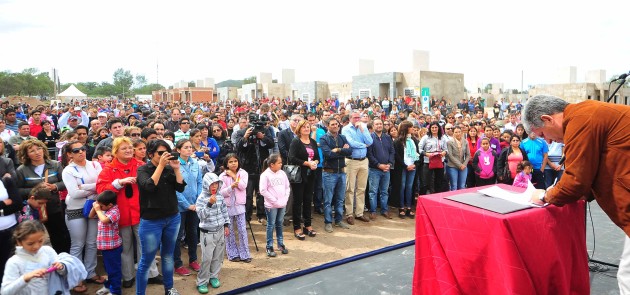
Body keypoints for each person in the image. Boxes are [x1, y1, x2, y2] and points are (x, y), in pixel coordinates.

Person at [521, 95, 630, 292]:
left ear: (547, 119)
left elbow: (576, 181)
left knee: (628, 276)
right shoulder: (586, 113)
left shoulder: (581, 119)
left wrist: (546, 195)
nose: (549, 140)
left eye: (543, 134)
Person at [96, 137, 161, 289]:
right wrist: (119, 182)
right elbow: (101, 190)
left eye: (130, 147)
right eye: (124, 148)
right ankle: (128, 276)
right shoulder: (108, 169)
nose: (129, 150)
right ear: (115, 151)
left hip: (141, 213)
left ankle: (151, 274)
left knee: (146, 245)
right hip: (120, 216)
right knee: (125, 248)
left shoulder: (141, 165)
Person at [136, 139, 186, 295]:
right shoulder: (143, 170)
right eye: (160, 153)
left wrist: (176, 169)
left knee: (168, 256)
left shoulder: (169, 168)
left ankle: (169, 289)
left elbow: (180, 187)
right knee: (147, 260)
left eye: (167, 152)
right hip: (151, 221)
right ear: (150, 154)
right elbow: (149, 186)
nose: (165, 156)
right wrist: (161, 166)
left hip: (172, 217)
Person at [61, 140, 105, 292]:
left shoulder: (95, 165)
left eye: (83, 149)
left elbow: (102, 184)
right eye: (76, 150)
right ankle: (76, 278)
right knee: (78, 244)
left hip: (94, 207)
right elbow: (74, 193)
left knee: (92, 242)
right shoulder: (68, 170)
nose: (81, 152)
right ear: (69, 154)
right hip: (75, 210)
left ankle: (90, 272)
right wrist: (95, 189)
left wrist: (85, 187)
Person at [16, 139, 69, 254]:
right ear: (26, 154)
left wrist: (55, 186)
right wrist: (36, 190)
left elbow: (66, 182)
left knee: (59, 237)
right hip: (33, 211)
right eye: (32, 151)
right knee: (34, 239)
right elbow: (18, 190)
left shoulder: (55, 164)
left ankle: (61, 262)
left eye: (39, 148)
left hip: (54, 208)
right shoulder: (22, 170)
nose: (37, 152)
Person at [1, 220, 72, 294]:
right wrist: (25, 278)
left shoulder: (48, 251)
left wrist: (61, 267)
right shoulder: (14, 262)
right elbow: (5, 291)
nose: (36, 246)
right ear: (19, 242)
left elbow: (64, 274)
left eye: (40, 241)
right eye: (30, 244)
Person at [195, 172, 229, 294]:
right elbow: (201, 216)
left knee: (218, 256)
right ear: (206, 185)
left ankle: (214, 276)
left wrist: (226, 224)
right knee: (207, 258)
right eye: (211, 184)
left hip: (220, 230)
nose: (214, 187)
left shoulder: (220, 196)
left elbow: (224, 211)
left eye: (216, 184)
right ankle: (202, 281)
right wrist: (209, 203)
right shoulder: (201, 198)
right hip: (207, 232)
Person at [173, 139, 203, 277]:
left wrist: (198, 200)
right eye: (185, 147)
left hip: (195, 205)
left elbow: (199, 182)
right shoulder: (174, 165)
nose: (189, 150)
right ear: (178, 150)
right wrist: (186, 205)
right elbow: (175, 189)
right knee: (177, 236)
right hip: (180, 206)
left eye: (190, 147)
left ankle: (193, 259)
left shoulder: (195, 163)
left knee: (193, 234)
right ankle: (177, 263)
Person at [319, 118, 352, 232]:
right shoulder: (324, 138)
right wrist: (342, 151)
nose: (335, 126)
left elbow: (350, 151)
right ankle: (328, 222)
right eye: (332, 124)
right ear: (327, 126)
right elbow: (328, 154)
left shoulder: (342, 137)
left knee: (339, 199)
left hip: (341, 172)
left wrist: (337, 149)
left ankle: (338, 221)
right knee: (328, 200)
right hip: (329, 173)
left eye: (337, 124)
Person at [288, 120, 320, 239]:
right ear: (299, 129)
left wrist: (315, 162)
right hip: (299, 175)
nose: (306, 129)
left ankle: (308, 225)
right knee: (298, 201)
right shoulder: (296, 141)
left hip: (310, 174)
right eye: (304, 127)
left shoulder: (312, 141)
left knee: (308, 200)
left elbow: (317, 157)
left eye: (308, 127)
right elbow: (292, 158)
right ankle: (297, 227)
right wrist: (307, 163)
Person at [341, 111, 373, 224]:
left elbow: (370, 141)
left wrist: (363, 130)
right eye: (355, 118)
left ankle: (359, 213)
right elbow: (351, 143)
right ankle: (349, 213)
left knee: (361, 188)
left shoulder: (363, 127)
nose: (357, 119)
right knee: (350, 188)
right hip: (351, 161)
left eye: (358, 117)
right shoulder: (345, 129)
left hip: (364, 161)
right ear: (350, 119)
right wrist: (364, 145)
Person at [218, 154, 251, 262]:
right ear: (226, 164)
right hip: (227, 207)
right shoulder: (222, 176)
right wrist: (230, 187)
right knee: (229, 231)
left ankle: (245, 254)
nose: (233, 163)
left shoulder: (243, 173)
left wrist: (233, 176)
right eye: (230, 162)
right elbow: (221, 193)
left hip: (240, 205)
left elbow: (243, 186)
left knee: (242, 230)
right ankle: (232, 254)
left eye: (235, 161)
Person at [90, 190, 122, 295]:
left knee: (114, 270)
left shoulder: (114, 211)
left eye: (102, 206)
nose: (100, 207)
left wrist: (98, 210)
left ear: (110, 205)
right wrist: (96, 207)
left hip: (113, 247)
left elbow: (104, 220)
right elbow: (90, 216)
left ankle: (116, 291)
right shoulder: (104, 209)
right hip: (105, 247)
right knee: (108, 269)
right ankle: (109, 286)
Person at [259, 154, 290, 257]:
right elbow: (263, 190)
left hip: (282, 204)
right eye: (279, 163)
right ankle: (269, 246)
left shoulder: (282, 173)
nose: (281, 164)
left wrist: (285, 199)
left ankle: (280, 244)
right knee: (271, 224)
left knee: (279, 223)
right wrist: (274, 200)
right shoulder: (265, 175)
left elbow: (287, 187)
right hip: (271, 205)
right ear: (272, 165)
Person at [366, 118, 395, 219]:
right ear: (373, 126)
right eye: (377, 124)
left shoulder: (387, 137)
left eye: (380, 124)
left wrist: (389, 164)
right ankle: (373, 211)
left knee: (384, 191)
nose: (379, 126)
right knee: (373, 192)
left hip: (386, 169)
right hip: (374, 169)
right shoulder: (370, 138)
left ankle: (384, 210)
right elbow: (369, 154)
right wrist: (378, 165)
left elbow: (392, 151)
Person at [394, 121, 419, 218]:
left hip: (412, 166)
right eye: (411, 127)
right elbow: (397, 156)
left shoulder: (414, 140)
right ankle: (401, 207)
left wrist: (414, 164)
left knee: (410, 187)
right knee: (402, 186)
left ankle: (409, 206)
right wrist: (405, 166)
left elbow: (417, 153)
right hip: (402, 167)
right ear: (406, 128)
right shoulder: (398, 141)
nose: (413, 129)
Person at [0, 175, 20, 286]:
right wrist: (4, 203)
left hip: (10, 230)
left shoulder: (6, 180)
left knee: (9, 265)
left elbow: (17, 203)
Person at [419, 122, 448, 194]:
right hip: (428, 161)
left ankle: (437, 197)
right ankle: (423, 197)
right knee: (426, 182)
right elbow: (419, 149)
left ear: (439, 128)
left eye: (436, 127)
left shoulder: (442, 138)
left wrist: (444, 152)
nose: (434, 129)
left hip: (439, 161)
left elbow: (446, 149)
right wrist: (426, 154)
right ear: (430, 129)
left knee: (439, 181)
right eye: (432, 128)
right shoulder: (425, 137)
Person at [446, 127, 471, 191]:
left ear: (461, 132)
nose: (458, 134)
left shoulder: (465, 141)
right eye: (456, 132)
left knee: (462, 186)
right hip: (452, 166)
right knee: (454, 186)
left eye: (459, 132)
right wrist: (459, 165)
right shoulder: (449, 142)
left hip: (463, 166)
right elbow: (450, 155)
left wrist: (464, 164)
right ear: (453, 133)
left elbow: (468, 155)